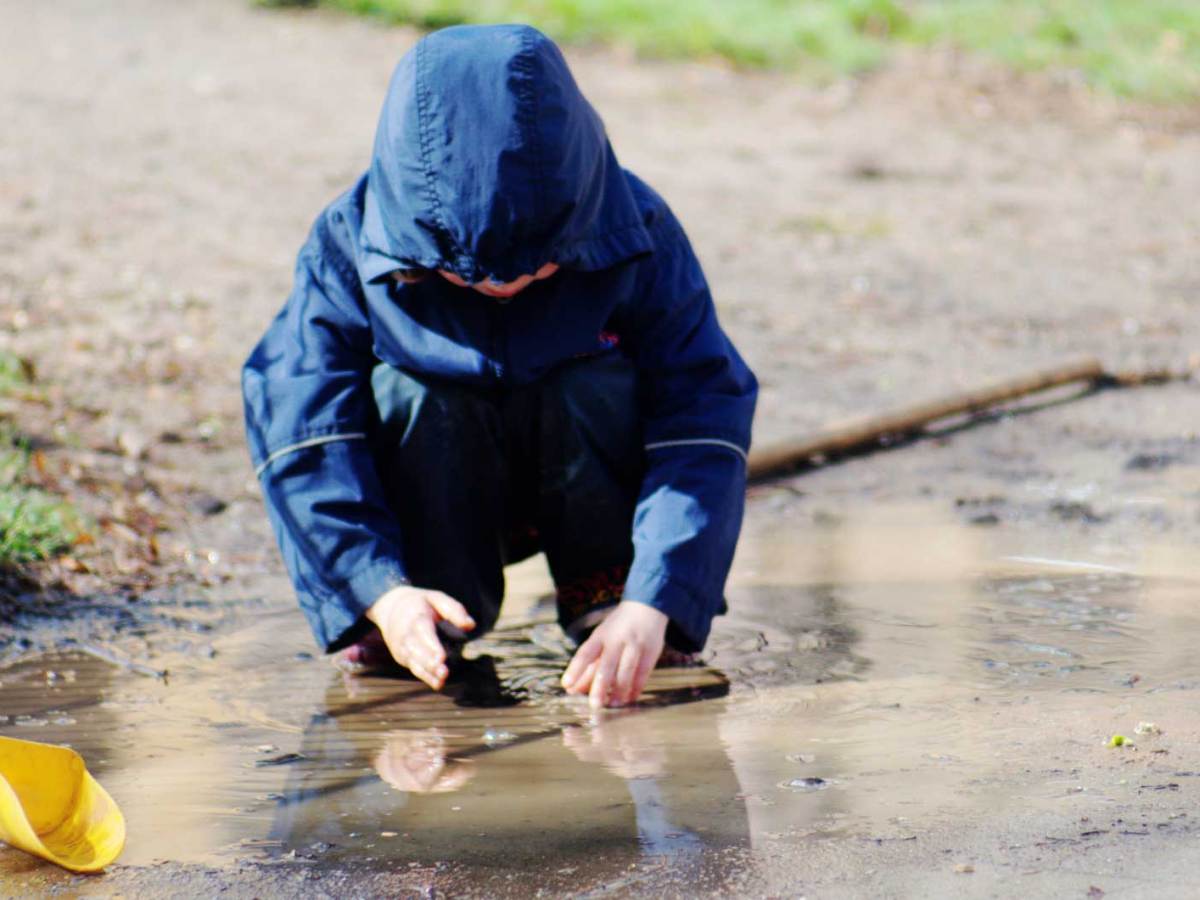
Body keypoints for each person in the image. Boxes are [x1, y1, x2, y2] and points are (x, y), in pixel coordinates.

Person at [241, 24, 756, 708]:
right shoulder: (349, 240)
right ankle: (419, 616)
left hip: (588, 478)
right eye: (472, 277)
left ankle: (611, 607)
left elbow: (702, 416)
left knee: (595, 383)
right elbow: (301, 428)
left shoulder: (638, 227)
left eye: (539, 265)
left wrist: (659, 594)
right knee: (409, 387)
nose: (507, 288)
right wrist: (374, 588)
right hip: (437, 490)